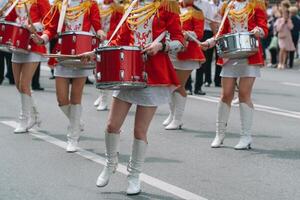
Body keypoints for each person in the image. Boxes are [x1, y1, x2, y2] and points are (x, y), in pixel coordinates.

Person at [83, 0, 184, 195]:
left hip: (153, 75)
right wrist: (96, 53)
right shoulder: (132, 6)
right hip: (128, 71)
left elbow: (179, 41)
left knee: (139, 131)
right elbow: (118, 40)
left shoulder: (167, 6)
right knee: (112, 125)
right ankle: (110, 163)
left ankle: (134, 176)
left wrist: (161, 45)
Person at [32, 0, 105, 152]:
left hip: (82, 52)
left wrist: (100, 32)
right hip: (63, 52)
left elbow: (97, 25)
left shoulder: (90, 4)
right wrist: (42, 39)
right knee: (62, 99)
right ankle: (77, 121)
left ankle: (73, 137)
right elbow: (51, 28)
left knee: (76, 97)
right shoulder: (60, 4)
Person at [201, 0, 268, 150]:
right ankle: (219, 134)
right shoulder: (228, 6)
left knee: (244, 94)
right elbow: (222, 32)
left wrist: (259, 30)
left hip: (249, 54)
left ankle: (246, 136)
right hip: (230, 54)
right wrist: (210, 42)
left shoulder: (256, 4)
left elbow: (264, 27)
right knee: (226, 94)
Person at [5, 0, 50, 133]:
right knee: (19, 85)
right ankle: (35, 114)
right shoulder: (15, 1)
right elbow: (10, 18)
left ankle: (23, 120)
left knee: (24, 84)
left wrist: (34, 26)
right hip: (18, 43)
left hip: (34, 44)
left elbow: (49, 21)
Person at [163, 0, 205, 130]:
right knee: (169, 85)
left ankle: (178, 119)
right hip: (171, 51)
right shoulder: (171, 8)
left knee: (178, 85)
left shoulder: (197, 13)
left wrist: (188, 34)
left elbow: (199, 33)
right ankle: (172, 114)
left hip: (187, 53)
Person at [94, 0, 124, 111]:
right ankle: (101, 95)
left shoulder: (118, 8)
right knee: (96, 71)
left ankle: (104, 99)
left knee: (105, 71)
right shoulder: (98, 6)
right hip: (98, 40)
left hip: (110, 41)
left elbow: (121, 28)